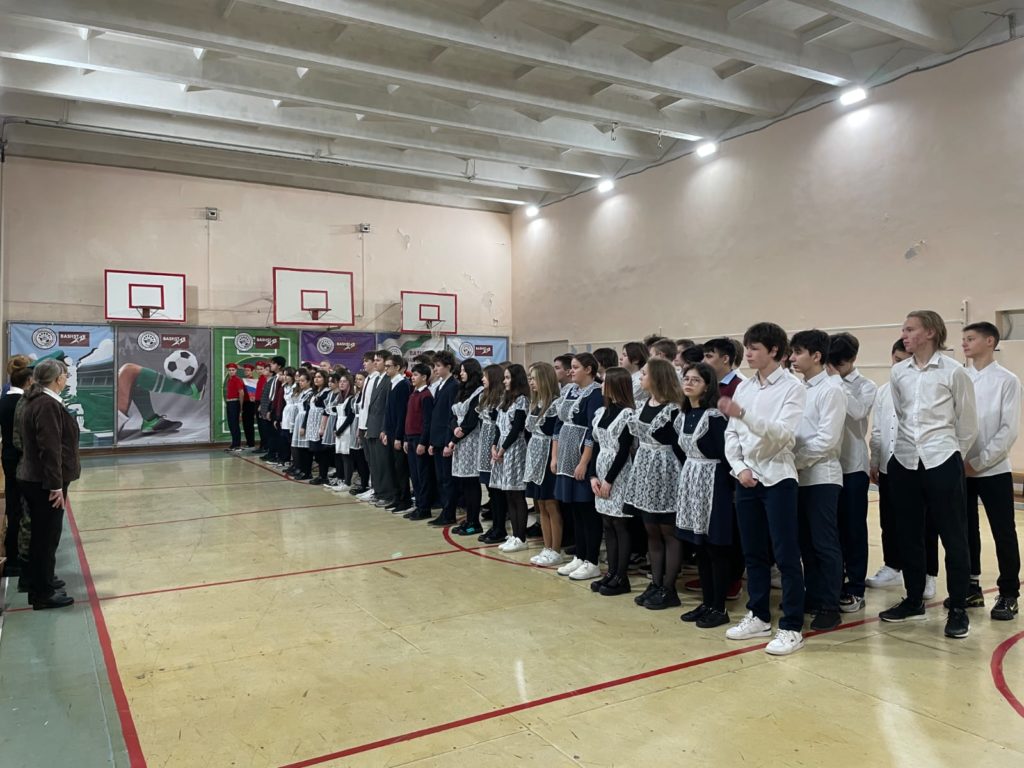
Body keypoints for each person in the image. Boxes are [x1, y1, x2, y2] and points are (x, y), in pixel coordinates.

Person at [880, 310, 977, 640]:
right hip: (905, 460)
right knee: (909, 533)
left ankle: (959, 607)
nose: (904, 335)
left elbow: (967, 422)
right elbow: (900, 412)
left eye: (910, 329)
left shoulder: (954, 372)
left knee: (953, 535)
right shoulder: (899, 372)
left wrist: (953, 454)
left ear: (931, 332)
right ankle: (913, 599)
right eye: (903, 329)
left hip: (942, 458)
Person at [720, 321, 808, 656]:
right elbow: (731, 433)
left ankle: (792, 625)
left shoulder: (792, 388)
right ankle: (758, 614)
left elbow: (783, 434)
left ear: (774, 351)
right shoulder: (744, 387)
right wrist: (740, 467)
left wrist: (744, 414)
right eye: (747, 347)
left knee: (785, 555)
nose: (749, 354)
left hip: (778, 479)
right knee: (753, 552)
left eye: (755, 348)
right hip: (746, 478)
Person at [961, 321, 1020, 620]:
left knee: (1003, 531)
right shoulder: (961, 377)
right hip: (961, 468)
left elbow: (1008, 430)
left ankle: (1009, 593)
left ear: (990, 341)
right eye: (964, 339)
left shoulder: (1007, 380)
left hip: (993, 469)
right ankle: (972, 586)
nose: (965, 343)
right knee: (966, 529)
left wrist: (979, 462)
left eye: (971, 338)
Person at [789, 330, 846, 632]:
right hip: (796, 477)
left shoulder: (831, 389)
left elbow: (827, 439)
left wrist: (795, 461)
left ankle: (830, 605)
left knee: (824, 543)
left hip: (822, 476)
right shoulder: (799, 388)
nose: (792, 358)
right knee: (805, 543)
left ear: (817, 356)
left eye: (798, 352)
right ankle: (812, 595)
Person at [623, 358, 687, 610]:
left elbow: (679, 447)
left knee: (667, 530)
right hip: (645, 468)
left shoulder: (674, 409)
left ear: (658, 377)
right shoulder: (642, 405)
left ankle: (669, 588)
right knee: (651, 529)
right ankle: (656, 582)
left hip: (666, 471)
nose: (640, 377)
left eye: (644, 373)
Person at [17, 360, 79, 610]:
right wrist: (55, 486)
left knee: (45, 535)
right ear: (56, 379)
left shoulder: (39, 400)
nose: (66, 378)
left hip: (37, 478)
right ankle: (42, 593)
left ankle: (43, 581)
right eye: (64, 375)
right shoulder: (46, 404)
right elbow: (50, 448)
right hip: (43, 482)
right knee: (45, 536)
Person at [676, 363, 734, 628]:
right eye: (686, 379)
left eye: (695, 380)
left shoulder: (714, 417)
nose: (688, 383)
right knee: (699, 546)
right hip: (692, 480)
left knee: (715, 548)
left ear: (707, 386)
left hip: (714, 483)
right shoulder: (684, 414)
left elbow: (726, 455)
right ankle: (707, 602)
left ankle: (719, 606)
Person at [825, 333, 877, 614]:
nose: (834, 369)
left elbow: (857, 412)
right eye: (831, 363)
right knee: (828, 529)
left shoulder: (865, 386)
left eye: (840, 364)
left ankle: (855, 586)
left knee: (853, 529)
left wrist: (836, 382)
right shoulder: (822, 382)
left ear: (853, 359)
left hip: (853, 467)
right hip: (824, 466)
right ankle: (831, 581)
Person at [553, 353, 604, 580]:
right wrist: (555, 457)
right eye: (571, 367)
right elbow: (558, 425)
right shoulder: (569, 391)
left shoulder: (595, 394)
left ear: (589, 369)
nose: (571, 371)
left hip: (582, 455)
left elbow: (593, 431)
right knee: (574, 509)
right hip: (566, 455)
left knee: (587, 511)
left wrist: (584, 462)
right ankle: (580, 556)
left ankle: (592, 560)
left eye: (575, 367)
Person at [867, 340, 913, 589]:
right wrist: (875, 460)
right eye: (896, 360)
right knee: (889, 520)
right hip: (887, 464)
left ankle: (925, 572)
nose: (900, 365)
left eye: (905, 361)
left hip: (915, 467)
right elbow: (877, 430)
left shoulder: (921, 390)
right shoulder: (883, 391)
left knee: (919, 522)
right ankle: (892, 565)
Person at [589, 367, 636, 595]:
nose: (601, 385)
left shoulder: (628, 414)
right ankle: (611, 572)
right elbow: (596, 445)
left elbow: (624, 451)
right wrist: (593, 476)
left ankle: (621, 576)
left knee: (619, 523)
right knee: (607, 522)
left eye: (605, 381)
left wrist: (609, 479)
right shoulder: (602, 412)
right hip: (601, 469)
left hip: (618, 473)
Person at [525, 362, 564, 565]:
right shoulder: (535, 403)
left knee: (551, 504)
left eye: (534, 378)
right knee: (540, 504)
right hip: (535, 457)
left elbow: (554, 433)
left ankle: (556, 549)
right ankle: (546, 546)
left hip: (548, 457)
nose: (531, 382)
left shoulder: (555, 404)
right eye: (530, 378)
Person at [491, 364, 531, 551]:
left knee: (517, 494)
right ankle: (514, 534)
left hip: (515, 449)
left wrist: (503, 448)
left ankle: (521, 537)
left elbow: (517, 429)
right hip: (502, 447)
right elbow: (499, 427)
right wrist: (494, 445)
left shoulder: (522, 400)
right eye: (504, 378)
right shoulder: (505, 400)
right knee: (508, 493)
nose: (504, 381)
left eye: (507, 378)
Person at [1, 360, 32, 577]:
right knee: (20, 509)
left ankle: (12, 553)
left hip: (8, 456)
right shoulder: (21, 403)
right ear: (28, 380)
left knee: (13, 506)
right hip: (20, 459)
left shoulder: (4, 400)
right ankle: (16, 557)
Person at [448, 359, 485, 536]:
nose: (461, 373)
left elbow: (471, 420)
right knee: (464, 483)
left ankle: (474, 522)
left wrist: (455, 438)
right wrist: (454, 428)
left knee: (472, 483)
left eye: (464, 370)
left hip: (472, 441)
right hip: (460, 441)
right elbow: (453, 415)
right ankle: (469, 520)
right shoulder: (462, 391)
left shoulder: (480, 392)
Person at [427, 351, 459, 527]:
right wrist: (432, 441)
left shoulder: (453, 386)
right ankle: (445, 511)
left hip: (445, 440)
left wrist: (448, 442)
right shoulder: (440, 385)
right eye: (435, 366)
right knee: (441, 478)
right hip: (437, 439)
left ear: (448, 367)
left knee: (447, 479)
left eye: (439, 366)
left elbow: (450, 417)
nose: (435, 369)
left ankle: (449, 513)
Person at [476, 364, 507, 542]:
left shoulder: (501, 398)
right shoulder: (484, 396)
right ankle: (495, 526)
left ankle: (500, 527)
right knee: (490, 488)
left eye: (485, 376)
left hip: (495, 442)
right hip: (485, 441)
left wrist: (495, 445)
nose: (483, 379)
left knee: (497, 490)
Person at [403, 363, 434, 521]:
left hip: (419, 439)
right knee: (414, 476)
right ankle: (419, 505)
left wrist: (423, 442)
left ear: (424, 377)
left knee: (423, 476)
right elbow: (408, 419)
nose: (412, 378)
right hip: (411, 438)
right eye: (412, 375)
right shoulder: (413, 394)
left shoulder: (426, 396)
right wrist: (406, 439)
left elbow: (427, 422)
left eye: (416, 375)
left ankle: (425, 508)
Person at [383, 354, 414, 514]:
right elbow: (388, 411)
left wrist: (399, 436)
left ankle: (405, 499)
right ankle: (396, 497)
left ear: (397, 367)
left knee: (401, 469)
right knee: (392, 467)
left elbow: (402, 414)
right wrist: (385, 430)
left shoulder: (403, 384)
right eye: (386, 366)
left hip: (398, 433)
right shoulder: (391, 383)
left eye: (389, 366)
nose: (386, 369)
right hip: (390, 432)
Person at [327, 372, 358, 492]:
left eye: (344, 381)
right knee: (340, 455)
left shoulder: (351, 399)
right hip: (339, 427)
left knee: (347, 456)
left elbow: (350, 417)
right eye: (340, 381)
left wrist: (339, 430)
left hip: (346, 430)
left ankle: (347, 482)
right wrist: (335, 429)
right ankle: (340, 479)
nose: (341, 384)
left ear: (350, 383)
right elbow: (337, 415)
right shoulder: (340, 398)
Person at [289, 370, 315, 480]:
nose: (300, 383)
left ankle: (307, 471)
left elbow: (308, 410)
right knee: (299, 448)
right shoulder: (302, 393)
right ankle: (301, 468)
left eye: (303, 381)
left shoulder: (310, 393)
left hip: (305, 420)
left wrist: (304, 426)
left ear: (309, 381)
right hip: (299, 419)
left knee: (305, 448)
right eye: (299, 381)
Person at [259, 356, 287, 462]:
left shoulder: (281, 377)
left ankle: (277, 455)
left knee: (276, 434)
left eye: (273, 363)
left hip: (276, 408)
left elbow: (276, 396)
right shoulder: (275, 377)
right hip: (271, 406)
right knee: (270, 433)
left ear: (279, 365)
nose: (270, 365)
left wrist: (271, 410)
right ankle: (271, 452)